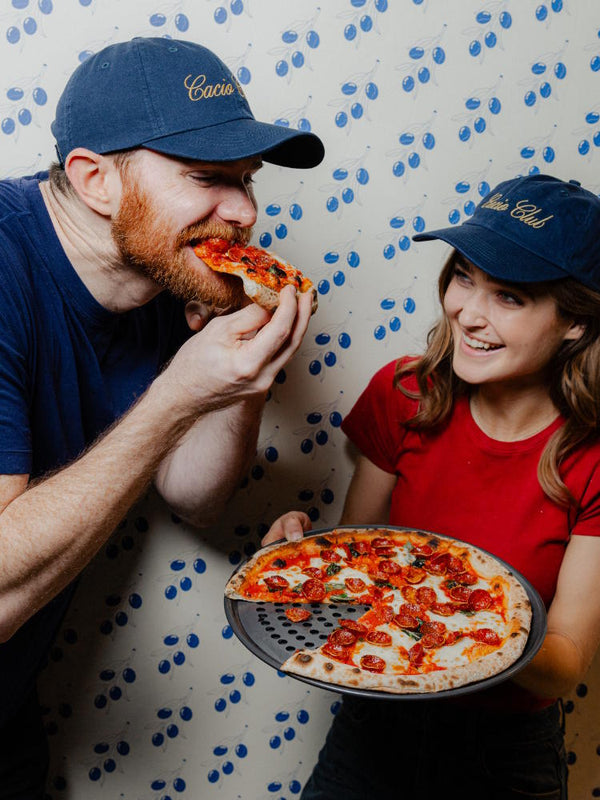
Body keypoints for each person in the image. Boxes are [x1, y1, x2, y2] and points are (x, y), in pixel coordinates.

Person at [0, 36, 324, 797]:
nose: (245, 212)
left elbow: (198, 496)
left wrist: (237, 371)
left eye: (247, 181)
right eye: (209, 178)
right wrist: (180, 392)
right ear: (94, 180)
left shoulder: (158, 267)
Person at [264, 174, 600, 800]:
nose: (468, 313)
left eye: (511, 298)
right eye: (464, 276)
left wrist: (457, 610)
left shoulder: (593, 457)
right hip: (377, 723)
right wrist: (301, 563)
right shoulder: (404, 393)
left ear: (576, 323)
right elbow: (359, 569)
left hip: (504, 756)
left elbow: (564, 664)